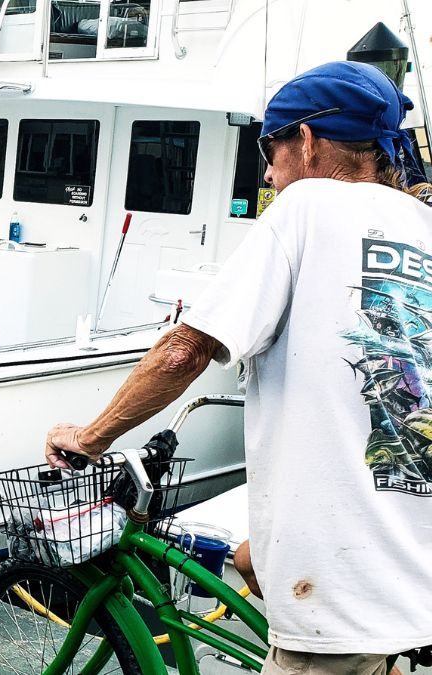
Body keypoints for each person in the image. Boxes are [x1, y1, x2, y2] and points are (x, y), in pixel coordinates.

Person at [44, 61, 432, 674]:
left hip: (338, 600)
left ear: (305, 140)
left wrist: (89, 438)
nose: (270, 171)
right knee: (252, 558)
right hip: (409, 575)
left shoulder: (305, 205)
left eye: (268, 148)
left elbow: (184, 351)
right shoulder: (423, 229)